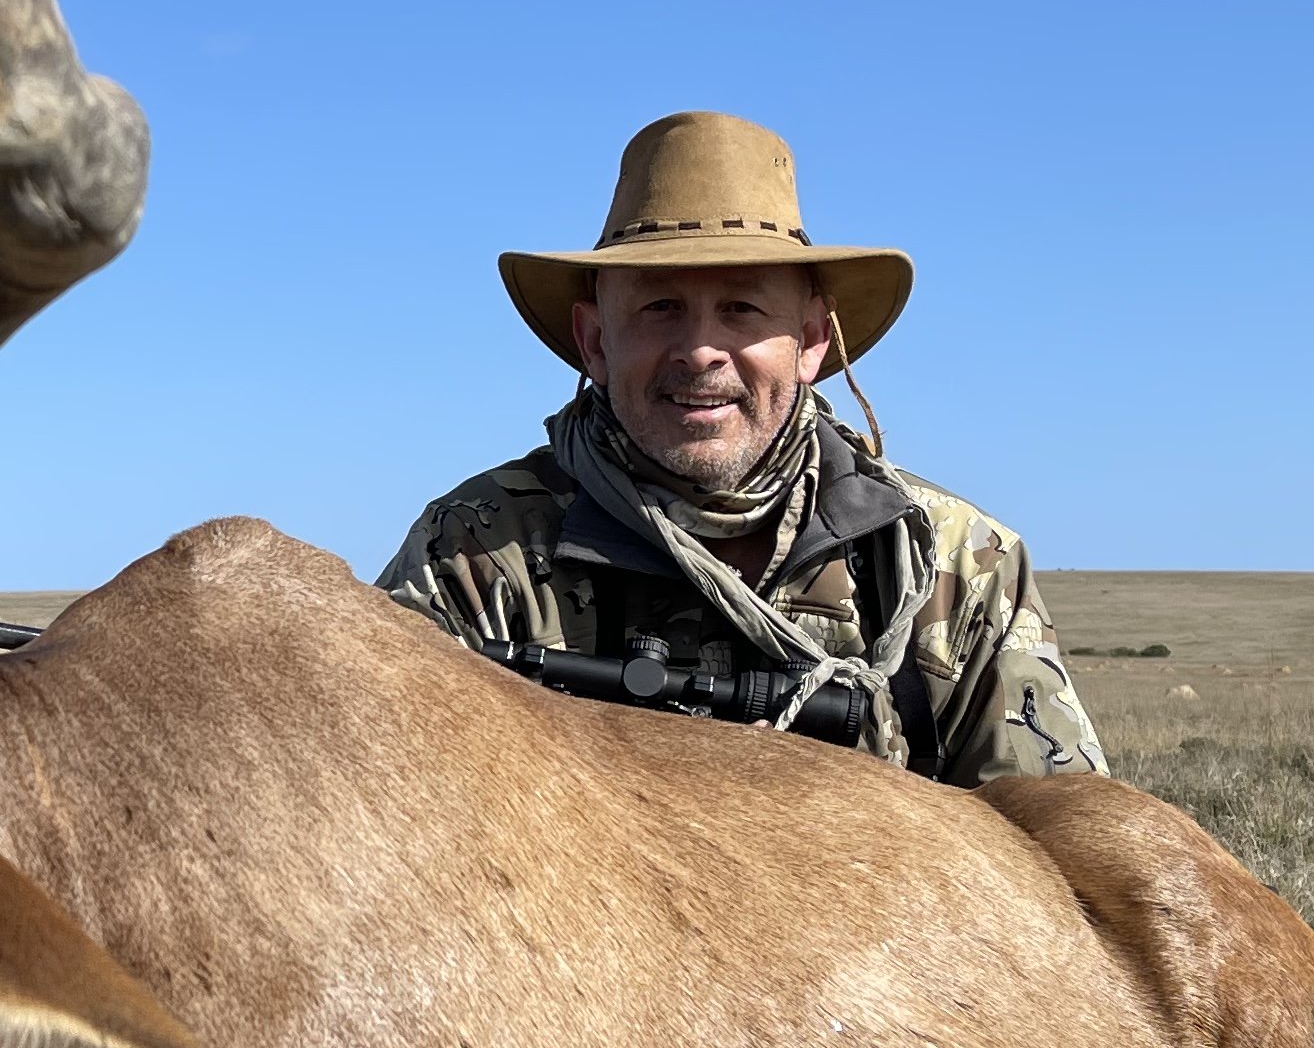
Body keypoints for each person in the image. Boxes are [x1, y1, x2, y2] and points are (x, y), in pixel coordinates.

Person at [380, 110, 1104, 788]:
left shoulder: (953, 564)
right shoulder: (472, 557)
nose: (700, 352)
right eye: (660, 307)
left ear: (812, 342)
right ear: (596, 341)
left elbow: (1054, 851)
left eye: (741, 309)